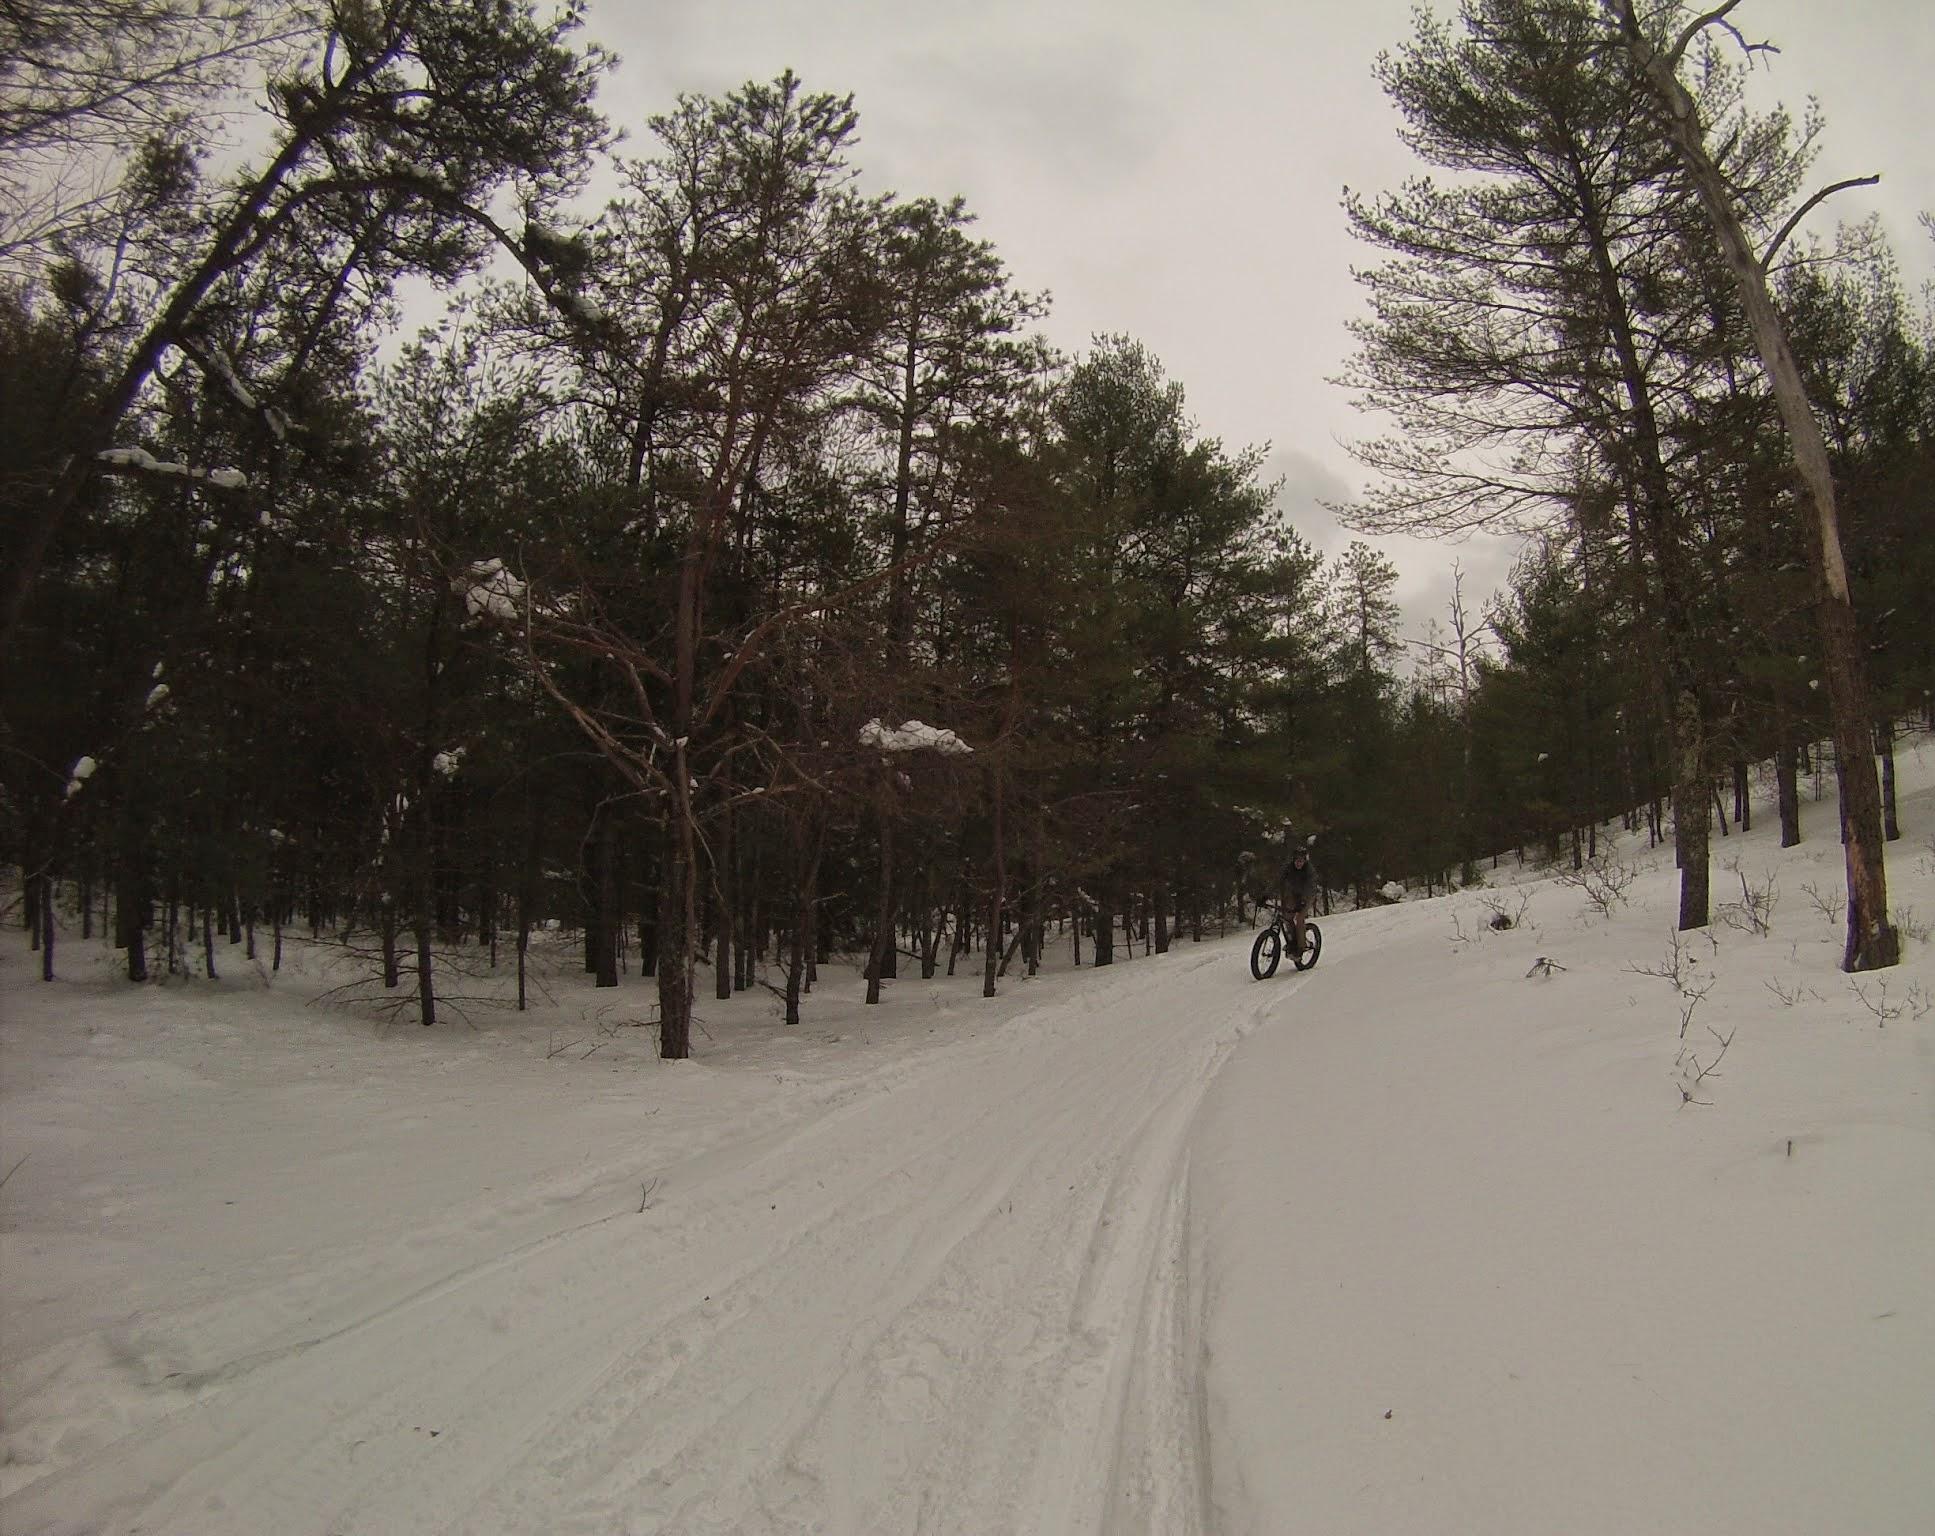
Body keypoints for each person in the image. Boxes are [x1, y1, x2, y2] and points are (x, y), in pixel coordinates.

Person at [1281, 840, 1316, 956]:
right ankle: (1292, 941)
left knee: (1300, 919)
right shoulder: (1288, 868)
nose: (1298, 864)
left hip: (1307, 896)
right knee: (1287, 917)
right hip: (1294, 895)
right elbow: (1276, 881)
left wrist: (1304, 900)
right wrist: (1265, 895)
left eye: (1301, 861)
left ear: (1305, 860)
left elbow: (1310, 887)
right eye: (1297, 861)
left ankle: (1301, 948)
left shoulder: (1309, 870)